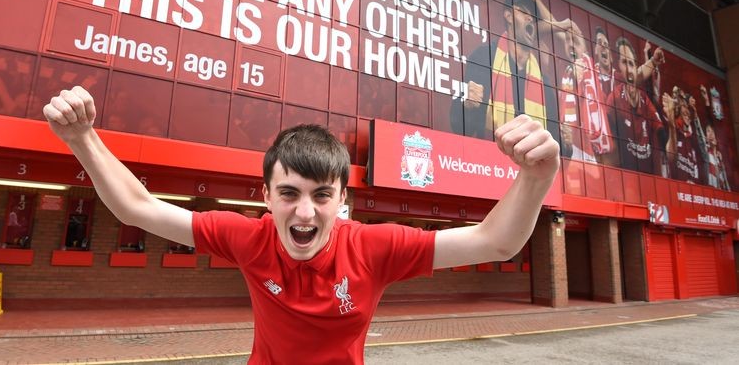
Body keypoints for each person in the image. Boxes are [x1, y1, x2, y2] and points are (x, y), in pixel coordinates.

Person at [44, 86, 560, 364]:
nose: (305, 213)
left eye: (322, 196)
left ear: (343, 203)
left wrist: (537, 178)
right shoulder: (248, 238)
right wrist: (83, 139)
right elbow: (139, 208)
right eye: (289, 194)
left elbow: (495, 239)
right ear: (266, 197)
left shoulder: (375, 248)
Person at [450, 0, 557, 141]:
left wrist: (567, 145)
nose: (530, 18)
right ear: (508, 16)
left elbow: (556, 146)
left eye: (533, 17)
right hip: (488, 161)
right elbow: (460, 127)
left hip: (530, 162)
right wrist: (468, 106)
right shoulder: (484, 58)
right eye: (524, 12)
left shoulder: (543, 82)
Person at [600, 37, 676, 174]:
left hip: (650, 181)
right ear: (618, 67)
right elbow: (607, 155)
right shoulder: (614, 99)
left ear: (636, 67)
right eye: (624, 62)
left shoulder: (645, 102)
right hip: (626, 181)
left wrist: (671, 124)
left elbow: (671, 155)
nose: (629, 69)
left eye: (631, 64)